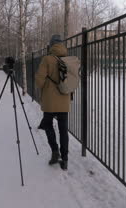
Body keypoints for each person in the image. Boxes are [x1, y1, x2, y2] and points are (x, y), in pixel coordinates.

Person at [35, 34, 70, 170]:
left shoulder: (47, 59)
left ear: (51, 45)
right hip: (64, 98)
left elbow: (39, 80)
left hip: (50, 100)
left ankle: (55, 151)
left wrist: (45, 86)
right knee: (63, 129)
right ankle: (65, 159)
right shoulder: (68, 58)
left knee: (47, 124)